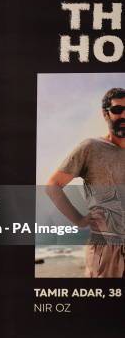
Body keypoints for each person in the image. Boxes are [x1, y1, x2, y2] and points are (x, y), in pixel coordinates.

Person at [46, 87, 125, 277]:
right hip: (106, 250)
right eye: (117, 110)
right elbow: (52, 186)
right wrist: (79, 220)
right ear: (105, 113)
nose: (124, 115)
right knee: (102, 306)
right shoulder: (91, 148)